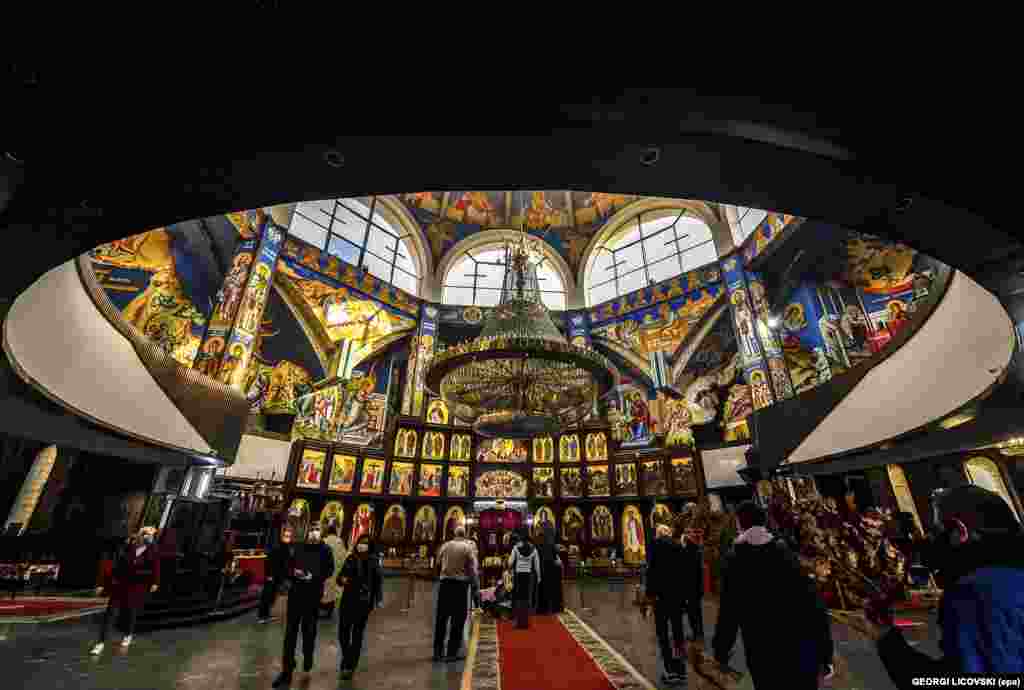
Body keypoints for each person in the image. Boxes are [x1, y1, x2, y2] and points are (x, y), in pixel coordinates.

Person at [863, 486, 1024, 683]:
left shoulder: (974, 592)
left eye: (936, 530)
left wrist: (887, 639)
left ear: (959, 531)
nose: (931, 540)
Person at [712, 501, 832, 690]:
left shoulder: (735, 560)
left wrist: (721, 650)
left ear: (739, 524)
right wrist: (825, 653)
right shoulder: (785, 553)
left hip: (763, 651)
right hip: (800, 646)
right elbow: (814, 605)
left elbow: (729, 611)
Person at [273, 523, 334, 688]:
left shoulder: (326, 550)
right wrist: (293, 573)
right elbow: (288, 566)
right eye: (311, 530)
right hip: (295, 596)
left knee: (309, 631)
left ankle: (308, 657)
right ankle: (286, 671)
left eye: (317, 530)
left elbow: (330, 570)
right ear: (307, 533)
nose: (313, 533)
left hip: (313, 597)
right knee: (290, 634)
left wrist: (313, 576)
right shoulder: (298, 547)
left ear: (321, 533)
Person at [90, 527, 161, 655]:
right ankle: (100, 643)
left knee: (131, 612)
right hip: (121, 585)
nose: (147, 537)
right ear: (140, 535)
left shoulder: (153, 551)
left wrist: (154, 583)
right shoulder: (128, 547)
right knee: (110, 614)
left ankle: (128, 634)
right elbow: (116, 566)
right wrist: (103, 584)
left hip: (137, 587)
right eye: (145, 534)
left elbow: (156, 568)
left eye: (150, 535)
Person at [645, 524, 689, 687]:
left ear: (658, 534)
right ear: (669, 533)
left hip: (660, 598)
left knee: (663, 635)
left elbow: (651, 571)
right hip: (677, 597)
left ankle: (669, 671)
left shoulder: (655, 545)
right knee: (678, 633)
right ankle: (681, 671)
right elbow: (685, 573)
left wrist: (649, 596)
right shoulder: (679, 546)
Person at [336, 534, 383, 680]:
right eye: (360, 542)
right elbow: (340, 577)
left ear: (370, 546)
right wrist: (341, 580)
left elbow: (377, 582)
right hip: (347, 600)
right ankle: (347, 656)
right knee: (342, 632)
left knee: (356, 634)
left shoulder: (374, 561)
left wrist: (377, 600)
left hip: (363, 603)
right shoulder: (351, 558)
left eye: (365, 543)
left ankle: (349, 665)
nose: (362, 545)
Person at [433, 525, 478, 662]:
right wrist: (474, 584)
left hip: (445, 585)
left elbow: (438, 563)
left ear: (454, 534)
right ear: (464, 535)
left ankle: (438, 652)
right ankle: (452, 652)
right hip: (460, 586)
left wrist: (440, 576)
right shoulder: (467, 548)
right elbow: (471, 568)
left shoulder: (445, 546)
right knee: (458, 619)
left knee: (441, 618)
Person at [258, 525, 294, 624]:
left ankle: (265, 614)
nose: (288, 536)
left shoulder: (287, 547)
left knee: (272, 595)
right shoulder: (276, 546)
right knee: (267, 595)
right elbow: (269, 561)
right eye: (286, 533)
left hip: (278, 575)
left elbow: (286, 562)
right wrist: (269, 575)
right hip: (272, 575)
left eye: (289, 534)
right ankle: (262, 616)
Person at [508, 528, 541, 630]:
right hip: (528, 576)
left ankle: (518, 622)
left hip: (518, 575)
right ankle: (526, 623)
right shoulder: (533, 549)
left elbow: (510, 563)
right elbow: (537, 565)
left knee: (518, 598)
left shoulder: (516, 548)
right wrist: (539, 577)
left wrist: (510, 567)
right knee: (527, 599)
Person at [680, 528, 705, 646]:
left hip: (690, 587)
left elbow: (685, 571)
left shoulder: (687, 550)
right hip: (697, 586)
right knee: (697, 612)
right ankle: (699, 633)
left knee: (692, 612)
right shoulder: (696, 549)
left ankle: (697, 635)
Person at [321, 523, 348, 619]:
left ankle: (321, 609)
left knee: (324, 590)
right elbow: (344, 556)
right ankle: (329, 612)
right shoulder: (340, 542)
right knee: (332, 592)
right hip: (336, 570)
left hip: (325, 570)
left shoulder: (323, 541)